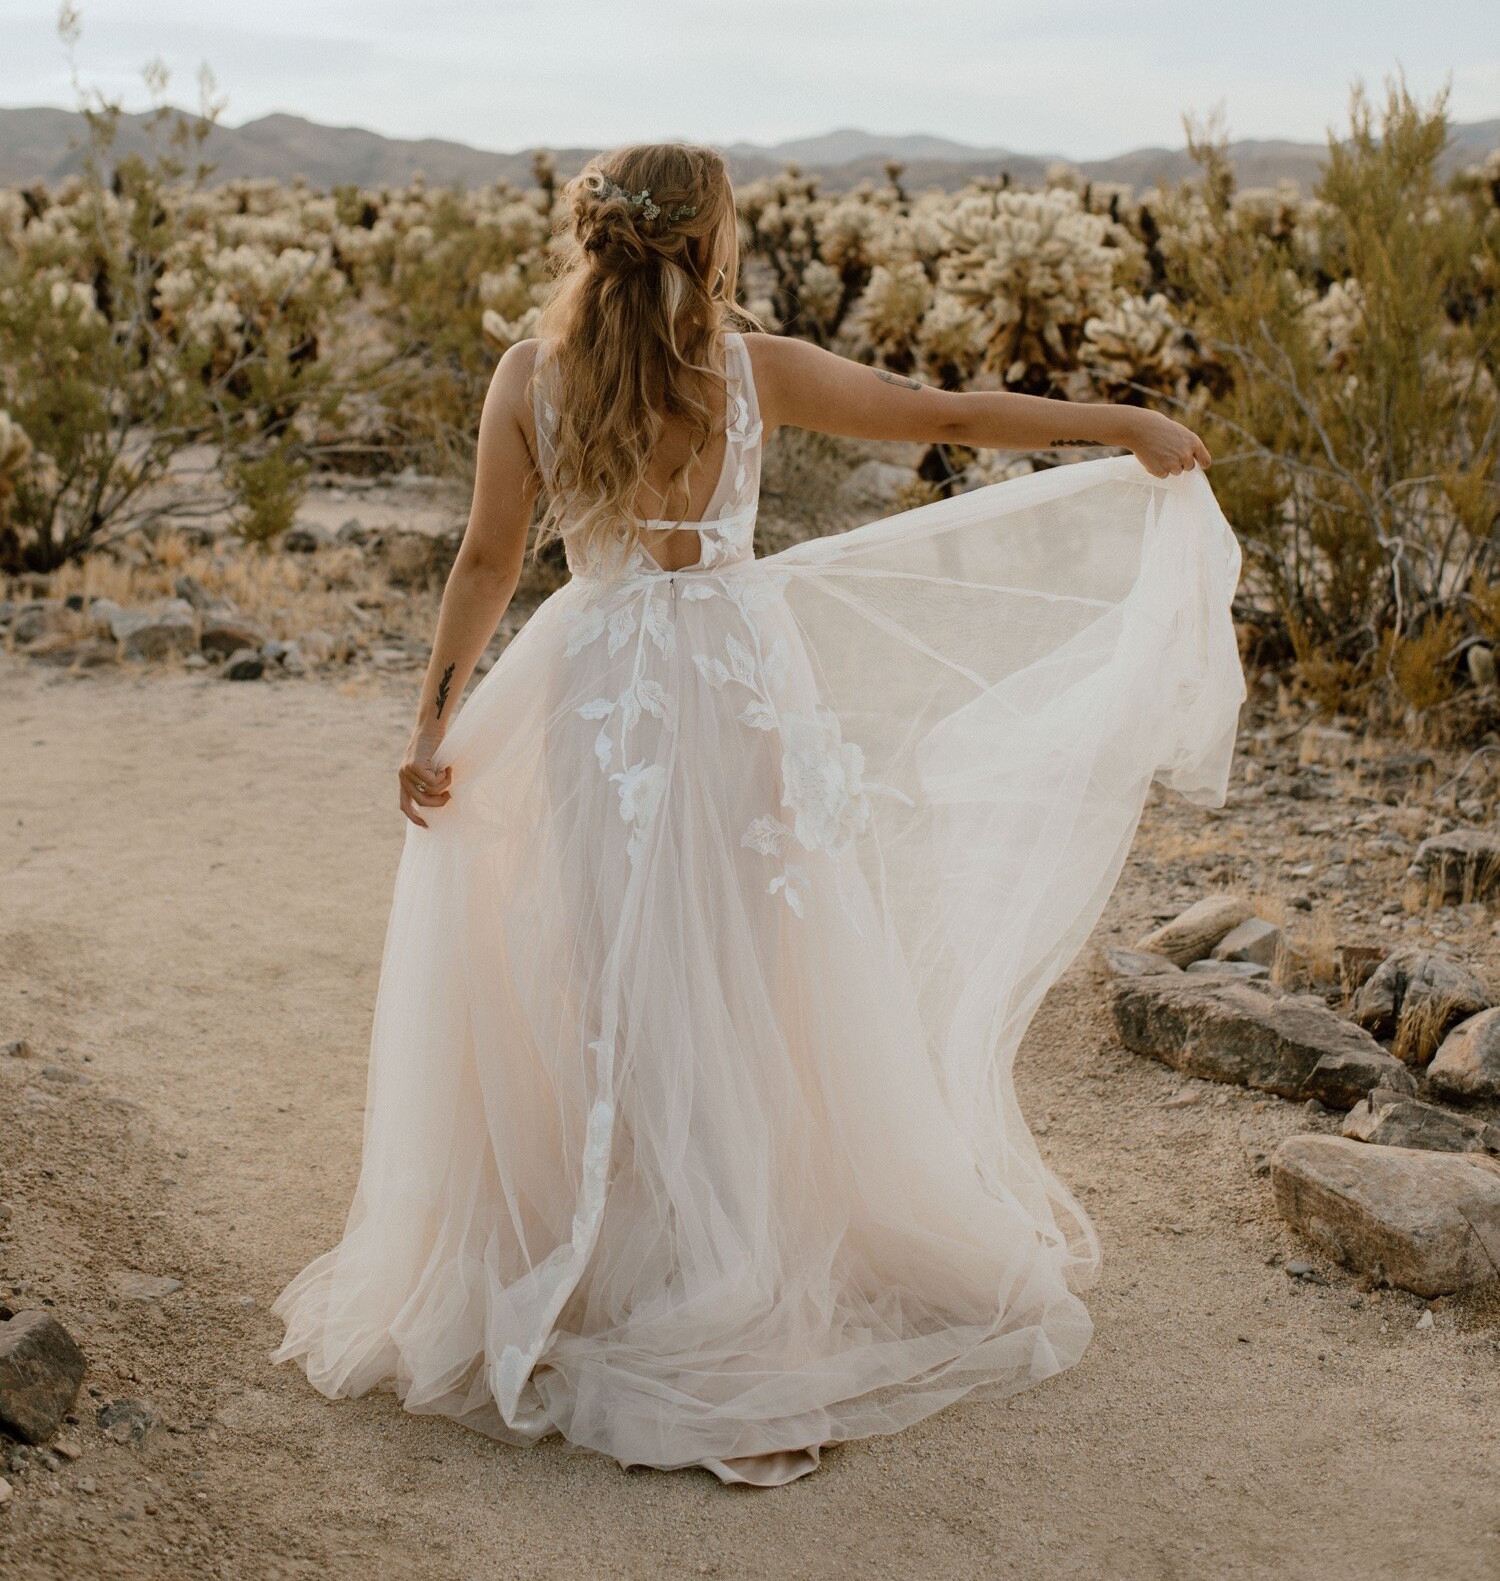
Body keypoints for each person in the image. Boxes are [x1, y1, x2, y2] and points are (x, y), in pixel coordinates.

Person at [272, 141, 1243, 1487]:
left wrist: (433, 722)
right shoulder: (749, 362)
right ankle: (729, 1260)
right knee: (755, 965)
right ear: (713, 236)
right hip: (732, 681)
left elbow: (490, 558)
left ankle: (651, 1249)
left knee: (624, 968)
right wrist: (1119, 423)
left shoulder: (533, 375)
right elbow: (932, 414)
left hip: (602, 686)